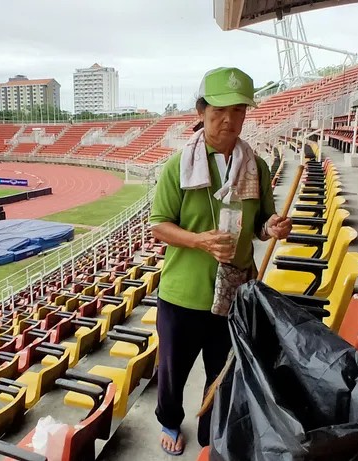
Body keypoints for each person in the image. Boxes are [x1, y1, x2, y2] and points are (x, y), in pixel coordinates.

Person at [149, 67, 292, 455]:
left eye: (238, 111)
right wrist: (199, 241)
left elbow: (262, 223)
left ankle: (211, 434)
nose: (229, 120)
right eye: (218, 111)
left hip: (235, 294)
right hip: (183, 293)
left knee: (224, 372)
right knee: (173, 370)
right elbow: (159, 225)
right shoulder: (179, 166)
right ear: (201, 111)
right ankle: (169, 420)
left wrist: (273, 227)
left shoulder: (256, 166)